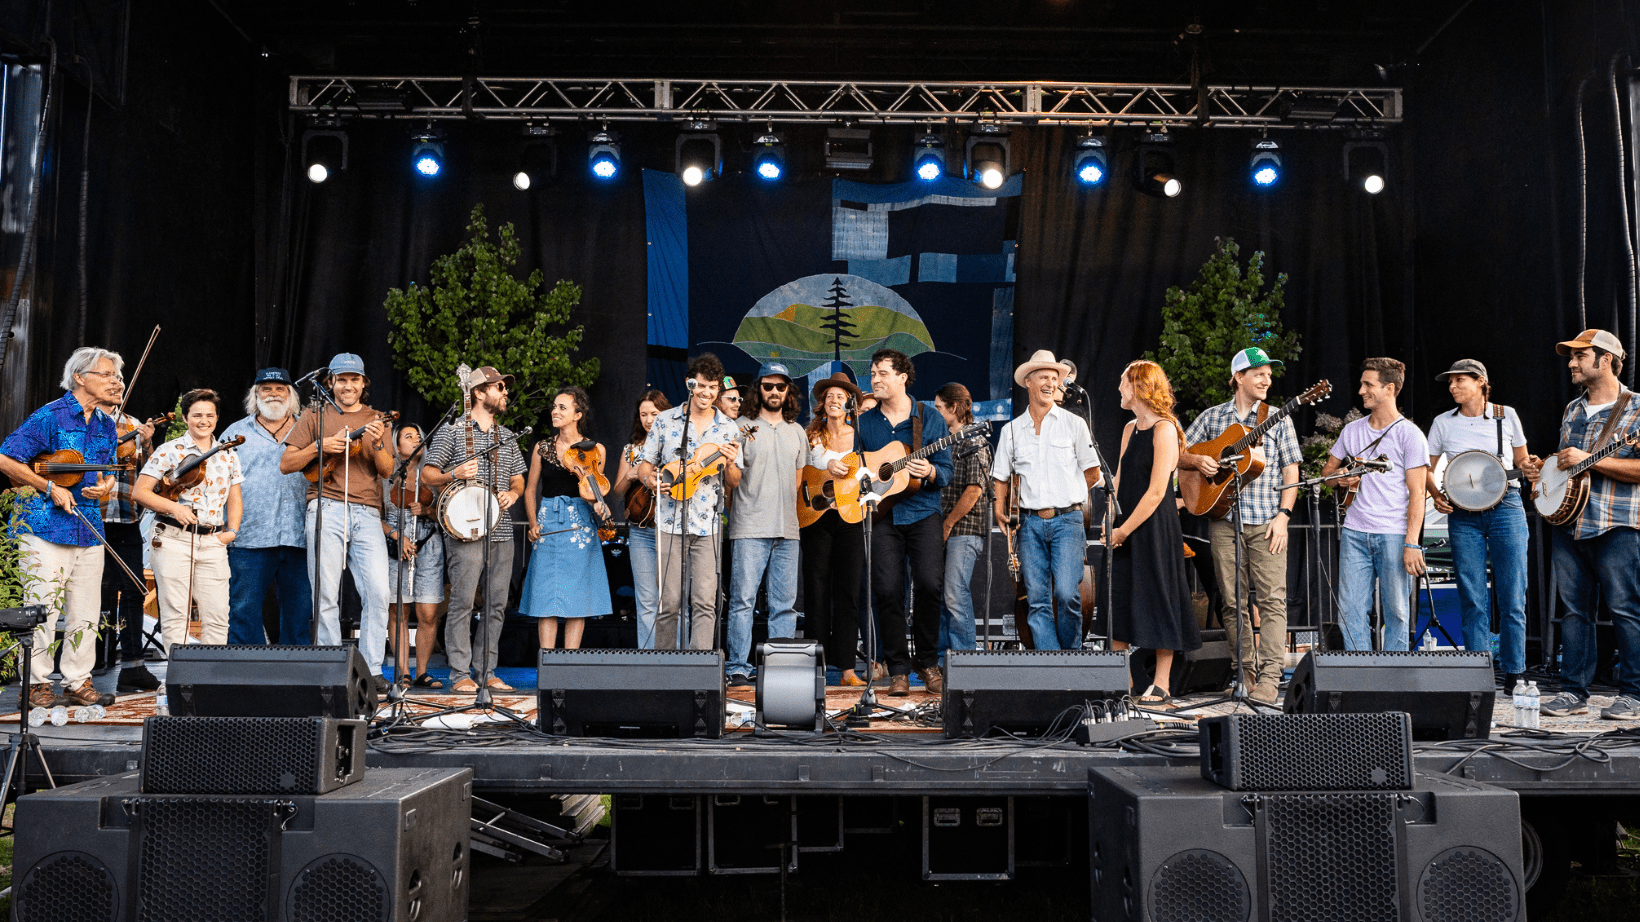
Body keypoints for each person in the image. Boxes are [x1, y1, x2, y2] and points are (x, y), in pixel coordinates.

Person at [1525, 331, 1640, 719]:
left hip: (1616, 522)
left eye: (1580, 356)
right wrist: (1539, 471)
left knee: (1625, 607)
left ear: (1605, 359)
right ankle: (1574, 691)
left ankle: (1634, 694)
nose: (1572, 363)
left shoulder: (1636, 410)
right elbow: (1566, 468)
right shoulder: (1573, 409)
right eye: (1571, 357)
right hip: (1570, 523)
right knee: (1575, 611)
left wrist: (1590, 459)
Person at [0, 347, 121, 708]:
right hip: (42, 526)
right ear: (81, 378)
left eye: (117, 376)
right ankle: (36, 683)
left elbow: (106, 470)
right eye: (108, 375)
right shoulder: (49, 417)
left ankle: (77, 679)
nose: (116, 382)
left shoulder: (107, 424)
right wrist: (49, 488)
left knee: (85, 609)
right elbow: (6, 457)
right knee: (42, 606)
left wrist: (105, 486)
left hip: (88, 526)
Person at [1179, 347, 1300, 704]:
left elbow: (1291, 470)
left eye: (1269, 374)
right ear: (1238, 377)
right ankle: (1245, 673)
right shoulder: (1213, 418)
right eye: (1259, 373)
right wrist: (1199, 459)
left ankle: (1270, 678)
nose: (1267, 379)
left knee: (1272, 601)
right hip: (1224, 521)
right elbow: (1177, 453)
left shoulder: (1277, 418)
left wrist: (1284, 516)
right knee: (1232, 603)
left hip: (1267, 522)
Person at [280, 353, 396, 696]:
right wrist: (320, 446)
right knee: (325, 592)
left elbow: (387, 471)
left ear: (363, 384)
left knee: (379, 592)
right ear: (331, 382)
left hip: (366, 512)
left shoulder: (376, 419)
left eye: (354, 379)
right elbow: (286, 463)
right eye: (341, 379)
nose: (348, 385)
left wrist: (376, 443)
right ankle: (331, 665)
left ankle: (373, 668)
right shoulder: (314, 415)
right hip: (325, 507)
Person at [421, 366, 528, 694]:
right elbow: (427, 474)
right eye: (499, 387)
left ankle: (487, 671)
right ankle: (459, 674)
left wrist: (514, 492)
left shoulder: (507, 436)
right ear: (479, 392)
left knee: (497, 603)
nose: (505, 392)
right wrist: (453, 473)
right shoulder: (452, 432)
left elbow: (518, 477)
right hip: (463, 530)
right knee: (463, 602)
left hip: (501, 530)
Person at [1426, 359, 1530, 693]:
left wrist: (1533, 466)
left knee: (1513, 594)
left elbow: (1523, 460)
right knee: (1472, 595)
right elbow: (1424, 468)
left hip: (1506, 507)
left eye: (1460, 380)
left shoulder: (1505, 414)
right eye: (1450, 382)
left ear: (1481, 382)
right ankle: (1478, 673)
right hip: (1462, 514)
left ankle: (1514, 673)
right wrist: (1435, 494)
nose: (1453, 386)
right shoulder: (1443, 422)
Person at [857, 349, 953, 695]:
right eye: (872, 373)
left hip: (924, 511)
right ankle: (898, 668)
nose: (875, 379)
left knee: (930, 584)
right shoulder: (864, 422)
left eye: (882, 373)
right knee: (887, 590)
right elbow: (859, 471)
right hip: (882, 516)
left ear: (902, 377)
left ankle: (927, 663)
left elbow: (947, 470)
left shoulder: (928, 418)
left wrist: (929, 471)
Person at [992, 352, 1101, 652]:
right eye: (1044, 377)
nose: (1051, 383)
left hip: (1068, 521)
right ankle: (1051, 663)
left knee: (1067, 594)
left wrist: (1070, 492)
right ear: (1028, 381)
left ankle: (1071, 660)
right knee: (1037, 601)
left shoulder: (1074, 424)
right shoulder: (1011, 430)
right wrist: (1000, 510)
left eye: (1055, 378)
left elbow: (1093, 472)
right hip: (1028, 523)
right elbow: (1000, 477)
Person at [1319, 357, 1429, 652]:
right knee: (1351, 612)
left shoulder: (1410, 434)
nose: (1361, 390)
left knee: (1397, 613)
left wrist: (1412, 543)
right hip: (1354, 532)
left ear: (1389, 389)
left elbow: (1418, 493)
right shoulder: (1351, 432)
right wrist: (1338, 478)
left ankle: (1394, 679)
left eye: (1368, 384)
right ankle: (1361, 677)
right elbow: (1326, 475)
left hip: (1393, 534)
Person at [634, 353, 742, 651]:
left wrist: (732, 464)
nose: (707, 393)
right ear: (690, 384)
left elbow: (733, 481)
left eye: (713, 388)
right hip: (669, 522)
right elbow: (645, 465)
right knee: (668, 602)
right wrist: (649, 480)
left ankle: (700, 671)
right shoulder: (666, 421)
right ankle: (663, 669)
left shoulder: (728, 428)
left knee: (705, 602)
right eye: (703, 386)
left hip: (707, 524)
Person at [1108, 360, 1201, 706]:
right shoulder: (1130, 429)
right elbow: (1118, 479)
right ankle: (1124, 681)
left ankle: (1161, 684)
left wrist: (1124, 530)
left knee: (1160, 597)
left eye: (1123, 382)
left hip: (1152, 528)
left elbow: (1157, 492)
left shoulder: (1166, 429)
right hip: (1125, 526)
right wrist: (1109, 519)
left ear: (1139, 387)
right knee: (1117, 600)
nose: (1118, 388)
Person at [133, 388, 243, 654]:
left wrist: (232, 531)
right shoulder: (169, 450)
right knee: (175, 615)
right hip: (173, 539)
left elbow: (235, 498)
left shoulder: (228, 453)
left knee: (218, 616)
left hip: (212, 540)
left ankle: (211, 680)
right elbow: (140, 491)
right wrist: (173, 508)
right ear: (185, 418)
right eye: (197, 415)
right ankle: (179, 681)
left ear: (217, 419)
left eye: (209, 415)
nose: (203, 420)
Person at [722, 362, 806, 685]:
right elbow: (731, 482)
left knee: (784, 606)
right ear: (758, 389)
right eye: (768, 386)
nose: (774, 392)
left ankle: (780, 668)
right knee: (742, 601)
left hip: (788, 528)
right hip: (749, 527)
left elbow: (797, 483)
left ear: (788, 391)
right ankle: (738, 668)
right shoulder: (739, 426)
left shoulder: (797, 430)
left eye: (780, 387)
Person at [222, 368, 312, 646]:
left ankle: (296, 675)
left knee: (299, 613)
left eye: (280, 389)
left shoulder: (308, 429)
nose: (273, 394)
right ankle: (242, 673)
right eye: (266, 389)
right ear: (255, 395)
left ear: (291, 395)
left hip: (300, 536)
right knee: (243, 609)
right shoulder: (235, 433)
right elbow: (217, 480)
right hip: (249, 537)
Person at [520, 387, 613, 650]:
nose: (555, 411)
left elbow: (593, 491)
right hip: (548, 518)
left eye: (562, 407)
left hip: (579, 521)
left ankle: (569, 662)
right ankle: (547, 661)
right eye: (554, 406)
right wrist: (532, 523)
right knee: (546, 597)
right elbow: (530, 490)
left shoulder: (596, 450)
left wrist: (599, 506)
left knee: (577, 597)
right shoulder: (542, 447)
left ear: (577, 414)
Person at [94, 383, 161, 692]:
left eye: (119, 378)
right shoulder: (80, 421)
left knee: (133, 590)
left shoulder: (133, 425)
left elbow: (150, 478)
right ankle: (90, 664)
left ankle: (132, 666)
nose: (117, 384)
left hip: (125, 518)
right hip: (89, 517)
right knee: (92, 592)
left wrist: (147, 445)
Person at [804, 372, 867, 686]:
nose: (833, 400)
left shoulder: (860, 435)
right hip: (816, 517)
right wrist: (826, 466)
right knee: (816, 589)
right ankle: (815, 665)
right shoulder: (811, 434)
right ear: (822, 403)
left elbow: (869, 475)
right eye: (829, 395)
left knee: (848, 590)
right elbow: (803, 469)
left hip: (851, 517)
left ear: (850, 404)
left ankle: (846, 668)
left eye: (840, 396)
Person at [383, 423, 445, 689]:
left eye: (419, 436)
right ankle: (402, 671)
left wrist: (429, 511)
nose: (416, 440)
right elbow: (372, 515)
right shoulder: (385, 475)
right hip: (396, 546)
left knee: (428, 612)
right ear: (397, 446)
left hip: (429, 545)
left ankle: (422, 671)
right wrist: (397, 535)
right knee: (398, 610)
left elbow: (449, 513)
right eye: (408, 437)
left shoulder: (433, 475)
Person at [936, 383, 993, 665]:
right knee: (940, 595)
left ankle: (965, 661)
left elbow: (974, 490)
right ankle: (941, 660)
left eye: (939, 408)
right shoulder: (942, 440)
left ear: (954, 408)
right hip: (942, 526)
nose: (935, 413)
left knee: (954, 593)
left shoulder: (975, 441)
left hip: (964, 529)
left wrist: (947, 524)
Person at [613, 390, 670, 649]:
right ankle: (648, 656)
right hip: (640, 530)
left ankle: (678, 657)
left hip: (671, 529)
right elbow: (616, 491)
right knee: (646, 598)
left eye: (654, 414)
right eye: (643, 414)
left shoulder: (675, 445)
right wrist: (633, 474)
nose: (649, 419)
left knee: (672, 599)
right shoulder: (630, 449)